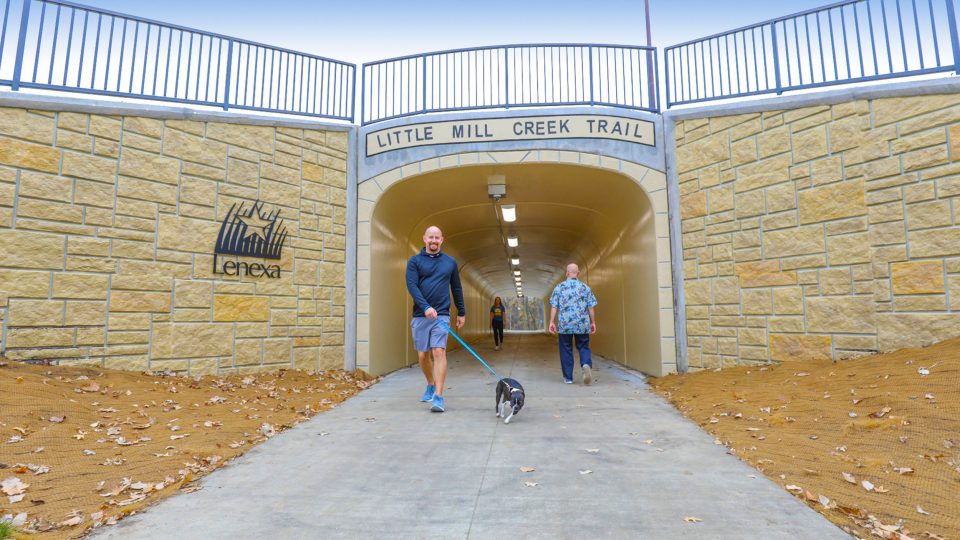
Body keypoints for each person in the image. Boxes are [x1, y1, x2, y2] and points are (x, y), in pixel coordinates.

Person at [405, 226, 466, 413]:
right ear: (424, 238)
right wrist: (425, 307)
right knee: (423, 355)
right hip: (421, 315)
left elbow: (456, 288)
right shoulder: (414, 261)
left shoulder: (450, 262)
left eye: (437, 238)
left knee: (439, 351)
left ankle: (439, 396)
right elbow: (412, 286)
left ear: (442, 239)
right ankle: (430, 384)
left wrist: (461, 312)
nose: (433, 240)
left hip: (442, 314)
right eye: (430, 237)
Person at [548, 263, 597, 385]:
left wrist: (551, 321)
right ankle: (585, 363)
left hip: (565, 324)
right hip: (582, 324)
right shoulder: (585, 288)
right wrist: (593, 322)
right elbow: (591, 307)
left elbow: (554, 306)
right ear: (578, 273)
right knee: (583, 346)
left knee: (566, 349)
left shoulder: (559, 287)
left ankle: (568, 378)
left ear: (567, 273)